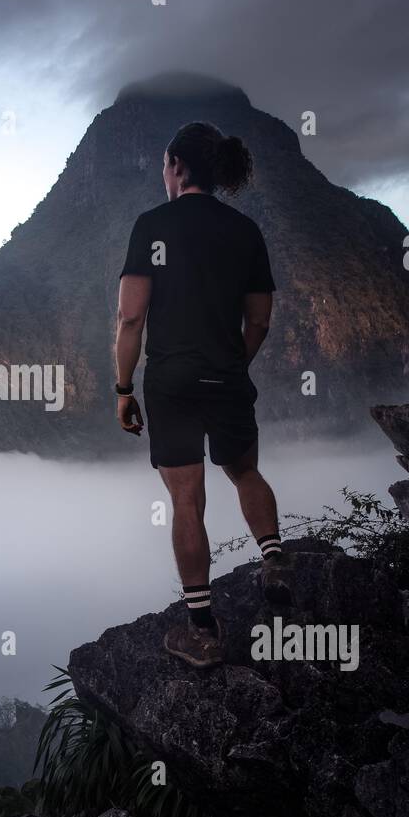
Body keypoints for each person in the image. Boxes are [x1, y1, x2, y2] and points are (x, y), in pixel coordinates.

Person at [114, 120, 292, 670]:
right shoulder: (245, 232)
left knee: (188, 501)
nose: (163, 174)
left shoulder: (152, 226)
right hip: (226, 376)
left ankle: (201, 630)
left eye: (165, 165)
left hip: (170, 382)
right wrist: (233, 365)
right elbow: (259, 320)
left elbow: (130, 316)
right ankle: (274, 557)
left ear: (178, 168)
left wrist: (123, 389)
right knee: (245, 473)